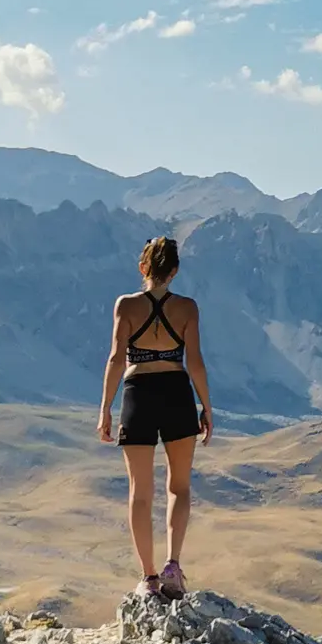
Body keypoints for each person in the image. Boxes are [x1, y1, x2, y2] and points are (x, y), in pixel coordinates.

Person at [97, 236, 213, 600]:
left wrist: (105, 407)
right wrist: (206, 406)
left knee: (140, 492)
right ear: (175, 271)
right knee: (179, 486)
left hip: (139, 394)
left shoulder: (126, 305)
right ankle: (173, 567)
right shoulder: (188, 308)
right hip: (178, 393)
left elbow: (117, 358)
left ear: (142, 267)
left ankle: (148, 578)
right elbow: (194, 360)